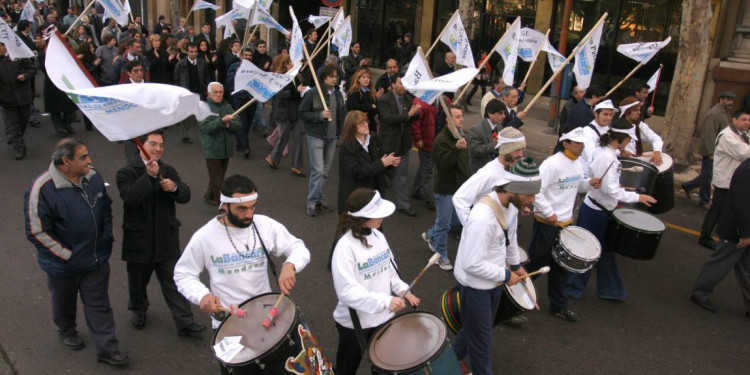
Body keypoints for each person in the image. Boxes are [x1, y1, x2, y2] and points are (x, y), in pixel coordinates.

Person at [174, 175, 311, 373]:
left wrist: (290, 265)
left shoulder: (264, 225)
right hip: (228, 324)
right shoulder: (205, 236)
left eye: (252, 206)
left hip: (266, 317)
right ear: (226, 206)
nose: (249, 214)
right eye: (242, 208)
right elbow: (183, 274)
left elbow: (298, 247)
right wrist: (202, 296)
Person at [24, 139, 129, 367]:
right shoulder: (41, 189)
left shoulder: (93, 177)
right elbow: (36, 231)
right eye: (83, 157)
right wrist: (66, 255)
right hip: (63, 266)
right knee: (63, 301)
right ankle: (67, 330)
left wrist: (106, 238)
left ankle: (108, 350)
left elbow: (106, 209)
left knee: (99, 305)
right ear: (65, 161)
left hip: (96, 260)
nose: (89, 161)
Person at [452, 159, 539, 375]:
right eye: (529, 194)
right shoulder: (482, 218)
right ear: (514, 189)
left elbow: (511, 236)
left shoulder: (510, 206)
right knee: (482, 344)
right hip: (476, 287)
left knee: (477, 328)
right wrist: (505, 274)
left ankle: (448, 362)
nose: (533, 200)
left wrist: (516, 265)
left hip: (493, 281)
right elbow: (472, 264)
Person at [115, 131, 205, 337]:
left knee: (174, 282)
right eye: (153, 144)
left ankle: (185, 323)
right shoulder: (126, 172)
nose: (158, 149)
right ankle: (138, 309)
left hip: (166, 238)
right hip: (139, 240)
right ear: (140, 146)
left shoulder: (168, 169)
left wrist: (174, 187)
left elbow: (185, 195)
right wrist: (149, 177)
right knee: (137, 282)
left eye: (161, 145)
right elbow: (130, 198)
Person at [330, 188, 420, 374]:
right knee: (346, 370)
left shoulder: (379, 236)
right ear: (363, 217)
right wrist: (385, 301)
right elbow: (346, 292)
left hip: (384, 318)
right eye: (378, 215)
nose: (382, 218)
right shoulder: (345, 247)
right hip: (355, 326)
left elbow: (391, 273)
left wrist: (404, 290)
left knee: (383, 370)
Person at [566, 121, 657, 301]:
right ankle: (571, 288)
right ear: (621, 139)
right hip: (596, 212)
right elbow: (610, 190)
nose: (629, 142)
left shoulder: (608, 154)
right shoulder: (606, 158)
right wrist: (638, 198)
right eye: (629, 138)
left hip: (601, 209)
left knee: (605, 250)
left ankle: (611, 290)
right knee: (588, 252)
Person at [528, 128, 601, 322]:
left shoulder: (577, 165)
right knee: (537, 265)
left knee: (561, 268)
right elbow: (536, 190)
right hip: (547, 224)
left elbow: (576, 186)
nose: (581, 146)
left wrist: (589, 183)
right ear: (565, 143)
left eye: (582, 143)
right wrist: (548, 212)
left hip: (565, 224)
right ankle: (514, 300)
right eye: (577, 143)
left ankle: (558, 306)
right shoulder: (552, 164)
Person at [690, 156, 750, 317]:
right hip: (737, 230)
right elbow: (741, 204)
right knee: (720, 263)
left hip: (744, 229)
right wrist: (744, 234)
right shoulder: (746, 171)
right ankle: (700, 293)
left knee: (746, 269)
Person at [422, 105, 469, 271]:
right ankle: (441, 255)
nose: (461, 119)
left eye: (461, 115)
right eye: (457, 116)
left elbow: (464, 163)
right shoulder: (441, 140)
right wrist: (456, 149)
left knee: (452, 221)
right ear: (448, 120)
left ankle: (431, 235)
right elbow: (443, 164)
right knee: (444, 224)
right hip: (445, 188)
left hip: (459, 188)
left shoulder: (460, 135)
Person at [697, 109, 750, 250]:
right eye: (744, 119)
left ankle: (724, 236)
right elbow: (744, 153)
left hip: (734, 180)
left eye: (749, 120)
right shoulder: (727, 135)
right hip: (725, 180)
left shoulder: (742, 135)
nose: (747, 123)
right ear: (734, 120)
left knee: (729, 210)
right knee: (717, 209)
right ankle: (705, 235)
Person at [453, 127, 526, 225]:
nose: (521, 154)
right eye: (516, 149)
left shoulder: (515, 167)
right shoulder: (488, 173)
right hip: (489, 236)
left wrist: (519, 204)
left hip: (507, 233)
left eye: (522, 149)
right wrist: (472, 228)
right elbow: (460, 198)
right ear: (505, 149)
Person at [299, 65, 345, 217]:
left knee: (325, 171)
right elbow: (302, 113)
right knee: (317, 170)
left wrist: (341, 133)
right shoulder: (313, 93)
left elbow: (341, 115)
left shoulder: (338, 94)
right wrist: (319, 116)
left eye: (336, 76)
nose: (334, 78)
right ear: (323, 78)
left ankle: (318, 199)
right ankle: (311, 201)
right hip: (316, 136)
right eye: (331, 76)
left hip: (332, 137)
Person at [337, 111, 399, 214]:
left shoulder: (372, 139)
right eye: (361, 123)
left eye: (366, 121)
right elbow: (356, 171)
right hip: (356, 198)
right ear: (352, 127)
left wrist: (389, 163)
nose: (366, 125)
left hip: (374, 195)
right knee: (357, 228)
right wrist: (382, 163)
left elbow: (378, 162)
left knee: (375, 226)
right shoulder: (347, 147)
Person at [682, 91, 736, 210]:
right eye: (728, 100)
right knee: (708, 176)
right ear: (721, 99)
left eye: (731, 100)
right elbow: (709, 135)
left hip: (719, 151)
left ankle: (687, 185)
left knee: (707, 175)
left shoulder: (725, 113)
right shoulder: (714, 114)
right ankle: (704, 201)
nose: (731, 102)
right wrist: (712, 152)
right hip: (711, 151)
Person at [378, 73, 421, 217]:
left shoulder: (408, 99)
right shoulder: (385, 100)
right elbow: (388, 118)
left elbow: (413, 118)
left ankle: (403, 205)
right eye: (401, 83)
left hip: (403, 144)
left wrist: (416, 113)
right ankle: (376, 201)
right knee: (382, 174)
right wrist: (409, 114)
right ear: (392, 85)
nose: (404, 86)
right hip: (388, 144)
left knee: (402, 175)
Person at [199, 82, 240, 206]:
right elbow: (206, 128)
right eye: (215, 92)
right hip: (212, 149)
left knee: (217, 175)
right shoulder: (203, 108)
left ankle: (208, 195)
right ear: (209, 94)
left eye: (220, 92)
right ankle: (222, 203)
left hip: (225, 149)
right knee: (219, 180)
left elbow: (238, 125)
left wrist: (228, 124)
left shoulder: (227, 106)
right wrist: (222, 121)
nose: (218, 94)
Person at [266, 54, 307, 174]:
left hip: (296, 110)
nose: (294, 64)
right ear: (286, 64)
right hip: (284, 112)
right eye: (291, 62)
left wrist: (304, 90)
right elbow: (280, 95)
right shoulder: (279, 78)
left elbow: (301, 88)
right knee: (283, 137)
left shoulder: (297, 76)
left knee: (298, 137)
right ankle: (273, 158)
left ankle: (296, 166)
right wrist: (296, 91)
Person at [0, 41, 36, 160]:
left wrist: (25, 76)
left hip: (23, 95)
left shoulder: (18, 56)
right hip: (7, 99)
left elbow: (32, 69)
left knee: (24, 120)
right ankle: (19, 147)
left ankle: (18, 137)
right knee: (13, 124)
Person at [174, 43, 209, 144]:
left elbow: (207, 76)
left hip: (200, 92)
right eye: (191, 52)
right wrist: (179, 92)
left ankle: (205, 134)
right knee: (186, 116)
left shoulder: (202, 63)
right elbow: (176, 79)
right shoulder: (181, 64)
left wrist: (206, 88)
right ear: (187, 52)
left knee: (202, 115)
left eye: (195, 52)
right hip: (186, 93)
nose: (194, 54)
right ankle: (185, 135)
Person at [226, 47, 256, 158]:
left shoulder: (255, 68)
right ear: (241, 56)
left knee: (248, 123)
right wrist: (237, 74)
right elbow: (229, 83)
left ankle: (240, 142)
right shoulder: (234, 67)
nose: (248, 57)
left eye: (250, 55)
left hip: (252, 99)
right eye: (246, 55)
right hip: (239, 98)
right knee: (242, 123)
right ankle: (246, 147)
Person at [618, 96, 663, 165]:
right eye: (636, 110)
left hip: (635, 162)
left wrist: (657, 152)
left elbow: (656, 139)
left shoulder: (639, 125)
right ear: (627, 112)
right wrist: (620, 152)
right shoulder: (616, 126)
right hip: (619, 162)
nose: (639, 112)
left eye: (639, 110)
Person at [580, 99, 618, 177]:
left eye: (610, 115)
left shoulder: (608, 130)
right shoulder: (586, 131)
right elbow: (592, 156)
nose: (609, 118)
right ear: (596, 114)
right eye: (605, 114)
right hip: (586, 176)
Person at [468, 99, 506, 173]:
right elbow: (474, 151)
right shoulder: (477, 129)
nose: (504, 116)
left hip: (495, 170)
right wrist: (493, 145)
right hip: (480, 171)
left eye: (504, 113)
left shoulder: (499, 127)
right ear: (489, 113)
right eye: (500, 113)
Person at [345, 68, 381, 133]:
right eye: (363, 77)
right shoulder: (354, 92)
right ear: (358, 79)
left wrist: (370, 109)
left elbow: (376, 108)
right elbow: (355, 107)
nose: (366, 79)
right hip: (358, 124)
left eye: (368, 77)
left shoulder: (371, 93)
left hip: (371, 124)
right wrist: (370, 107)